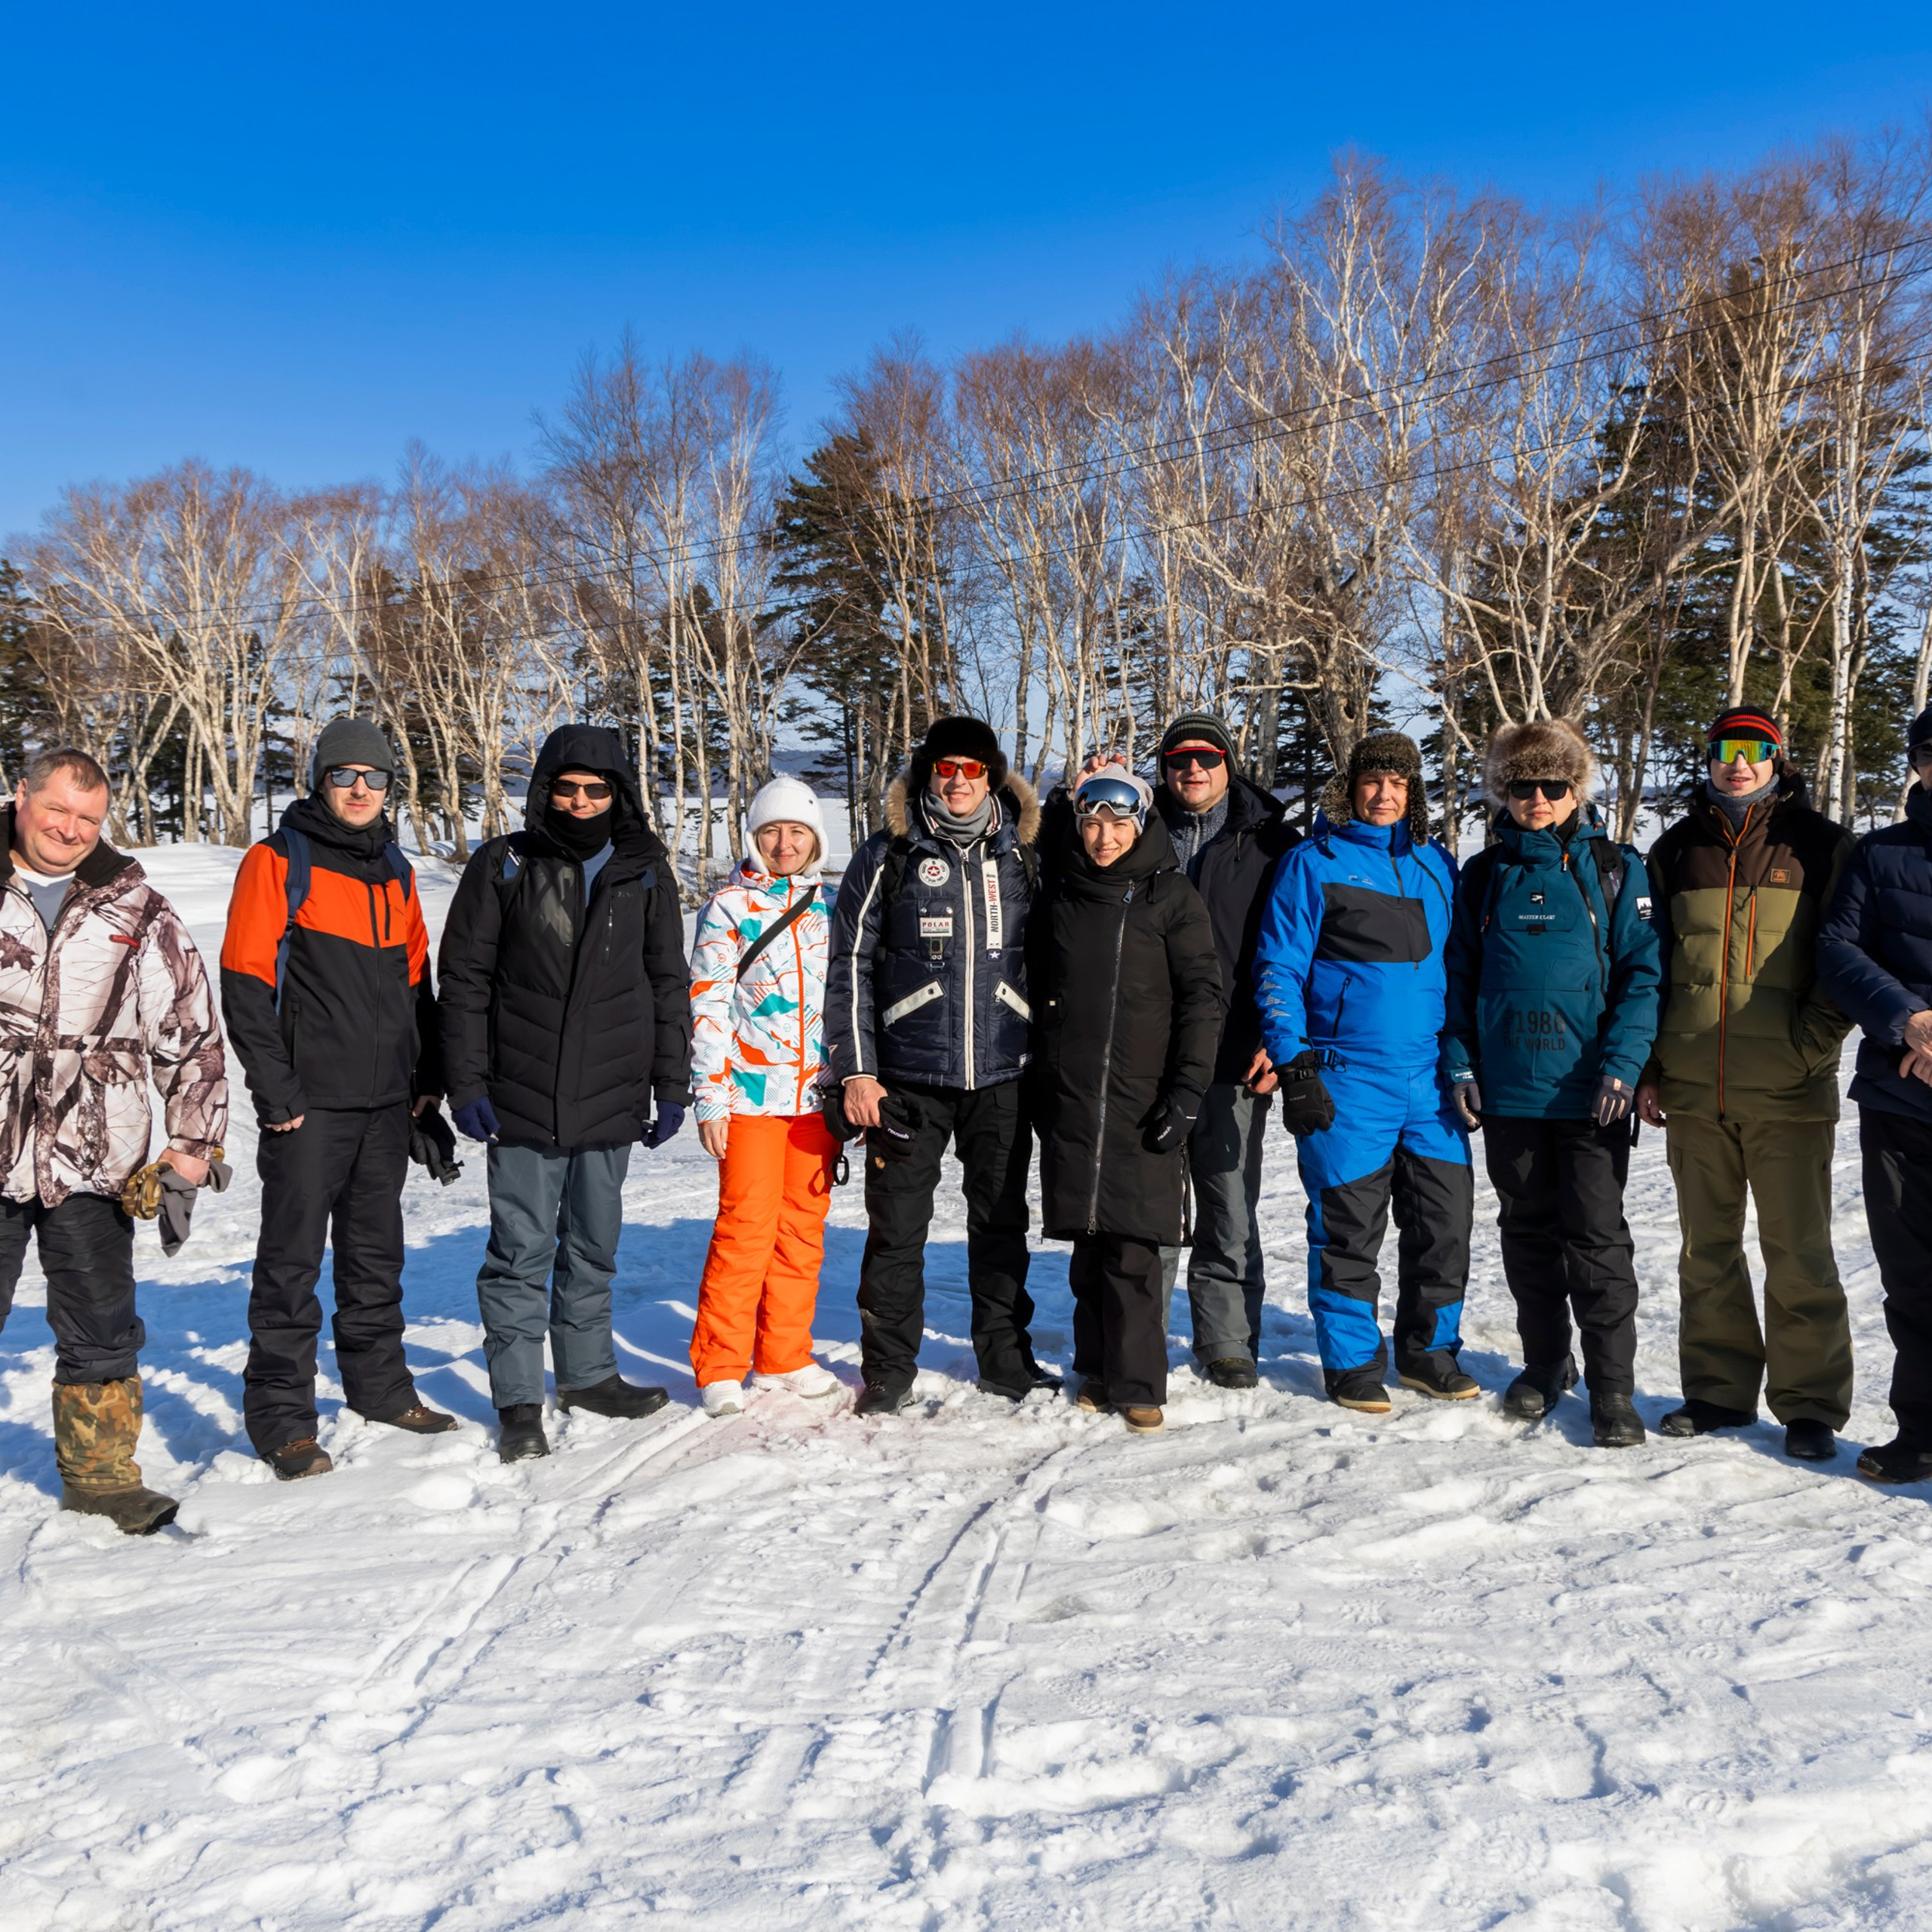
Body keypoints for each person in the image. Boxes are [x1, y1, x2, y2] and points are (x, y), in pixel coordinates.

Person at [439, 724, 693, 1462]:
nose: (580, 801)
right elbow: (465, 982)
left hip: (611, 1094)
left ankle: (586, 1375)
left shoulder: (644, 871)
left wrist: (670, 1083)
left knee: (592, 1245)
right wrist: (466, 1083)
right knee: (521, 1250)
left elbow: (667, 982)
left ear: (618, 795)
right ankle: (518, 1398)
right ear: (545, 788)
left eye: (596, 789)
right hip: (521, 1094)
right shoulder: (505, 864)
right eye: (566, 787)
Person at [220, 718, 454, 1481]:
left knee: (374, 1256)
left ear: (390, 789)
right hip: (308, 1106)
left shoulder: (398, 870)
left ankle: (380, 1386)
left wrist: (427, 1083)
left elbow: (417, 986)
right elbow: (246, 983)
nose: (360, 788)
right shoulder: (278, 861)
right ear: (319, 781)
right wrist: (276, 1088)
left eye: (374, 777)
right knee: (289, 1266)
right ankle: (282, 1418)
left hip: (385, 1103)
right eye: (344, 774)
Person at [0, 748, 227, 1532]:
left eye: (88, 819)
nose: (68, 829)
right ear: (20, 794)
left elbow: (191, 1031)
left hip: (95, 1151)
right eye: (56, 809)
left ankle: (101, 1478)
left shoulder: (138, 908)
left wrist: (193, 1142)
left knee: (99, 1320)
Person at [1637, 706, 1854, 1463]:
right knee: (1705, 1250)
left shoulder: (1819, 846)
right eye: (1726, 748)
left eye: (1753, 749)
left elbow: (1845, 959)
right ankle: (1717, 1391)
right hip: (1695, 1090)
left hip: (1789, 1092)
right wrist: (1652, 1068)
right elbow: (1651, 968)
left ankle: (1809, 1405)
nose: (1738, 761)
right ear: (1709, 757)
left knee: (1798, 1253)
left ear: (1776, 758)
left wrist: (1809, 1049)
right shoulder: (1675, 851)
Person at [1441, 720, 1661, 1448]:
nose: (1537, 798)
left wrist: (1624, 1067)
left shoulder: (1614, 869)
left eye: (1552, 785)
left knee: (1597, 1242)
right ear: (1504, 792)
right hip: (1509, 1095)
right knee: (1527, 1236)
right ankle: (1545, 1364)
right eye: (1521, 786)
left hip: (1590, 1094)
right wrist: (1462, 1063)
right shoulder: (1482, 875)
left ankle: (1613, 1389)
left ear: (1575, 790)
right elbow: (1458, 983)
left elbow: (1641, 977)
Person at [823, 716, 1051, 1416]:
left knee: (1002, 1227)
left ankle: (1006, 1360)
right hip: (908, 1081)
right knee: (897, 1233)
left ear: (993, 777)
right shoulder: (887, 855)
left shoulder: (1027, 856)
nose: (957, 782)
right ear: (928, 774)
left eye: (971, 770)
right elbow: (849, 965)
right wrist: (857, 1071)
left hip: (1003, 1075)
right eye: (944, 768)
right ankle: (889, 1369)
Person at [1252, 731, 1472, 1413]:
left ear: (1414, 793)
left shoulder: (1439, 864)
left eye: (1399, 784)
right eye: (1372, 782)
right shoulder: (1312, 863)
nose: (1384, 795)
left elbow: (1460, 968)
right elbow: (1279, 965)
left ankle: (1428, 1352)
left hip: (1430, 1080)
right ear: (1350, 788)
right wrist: (1293, 1062)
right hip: (1349, 1076)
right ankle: (1351, 1364)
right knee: (1349, 1230)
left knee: (1445, 1225)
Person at [1032, 767, 1225, 1433]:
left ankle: (1140, 1381)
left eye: (1118, 824)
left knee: (1137, 1248)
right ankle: (1096, 1368)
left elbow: (1204, 998)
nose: (1103, 837)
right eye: (1091, 824)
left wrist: (1188, 1090)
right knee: (1088, 1242)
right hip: (1076, 1094)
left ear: (1140, 825)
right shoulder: (1062, 892)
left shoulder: (1170, 896)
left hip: (1146, 1097)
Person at [1148, 712, 1297, 1389]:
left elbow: (1298, 949)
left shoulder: (1272, 843)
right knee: (1147, 1202)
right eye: (1180, 760)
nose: (1194, 770)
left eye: (1207, 757)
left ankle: (1228, 1340)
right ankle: (1137, 1334)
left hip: (1236, 1049)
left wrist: (1279, 1036)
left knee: (1228, 1198)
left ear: (1229, 763)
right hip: (1146, 1053)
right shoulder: (1133, 832)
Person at [688, 776, 842, 1417]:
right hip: (749, 1098)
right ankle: (721, 1363)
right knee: (744, 1229)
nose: (784, 843)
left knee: (802, 1231)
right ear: (754, 837)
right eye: (772, 831)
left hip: (815, 1100)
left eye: (797, 832)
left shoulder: (834, 908)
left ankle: (784, 1354)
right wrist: (710, 1096)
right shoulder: (728, 907)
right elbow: (707, 1002)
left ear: (815, 839)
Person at [1816, 704, 1932, 1484]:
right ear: (1919, 764)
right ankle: (1920, 1430)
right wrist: (1910, 1020)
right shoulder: (1878, 854)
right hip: (1902, 1098)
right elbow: (1836, 946)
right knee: (1913, 1277)